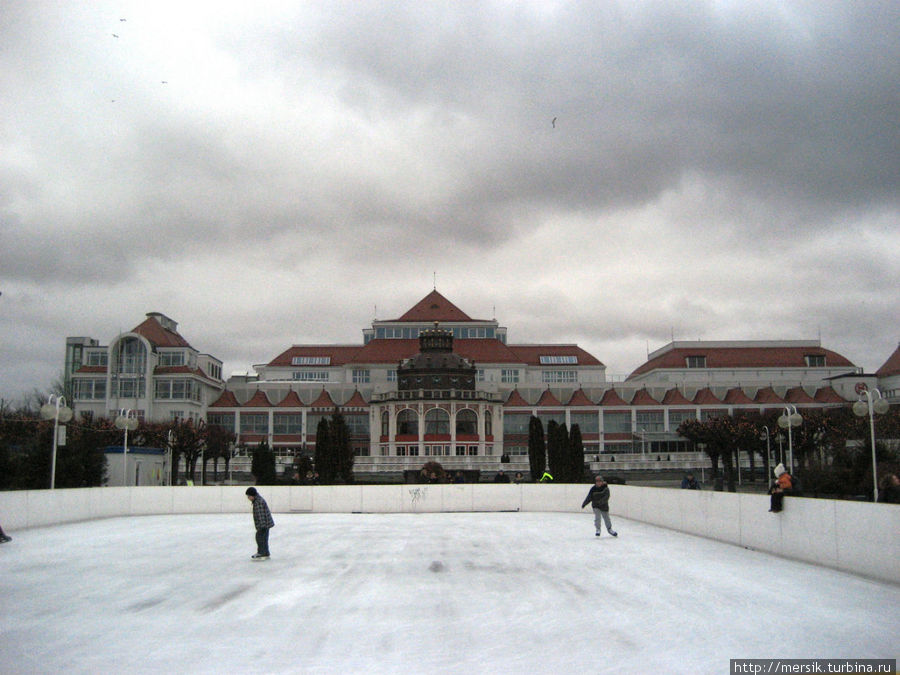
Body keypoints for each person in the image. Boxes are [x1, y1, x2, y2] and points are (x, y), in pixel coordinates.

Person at [245, 487, 275, 560]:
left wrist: (262, 527)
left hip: (263, 524)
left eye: (249, 496)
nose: (248, 498)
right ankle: (265, 552)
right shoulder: (257, 500)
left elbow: (261, 515)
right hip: (265, 524)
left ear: (252, 495)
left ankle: (262, 553)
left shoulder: (258, 502)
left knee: (260, 538)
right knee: (263, 538)